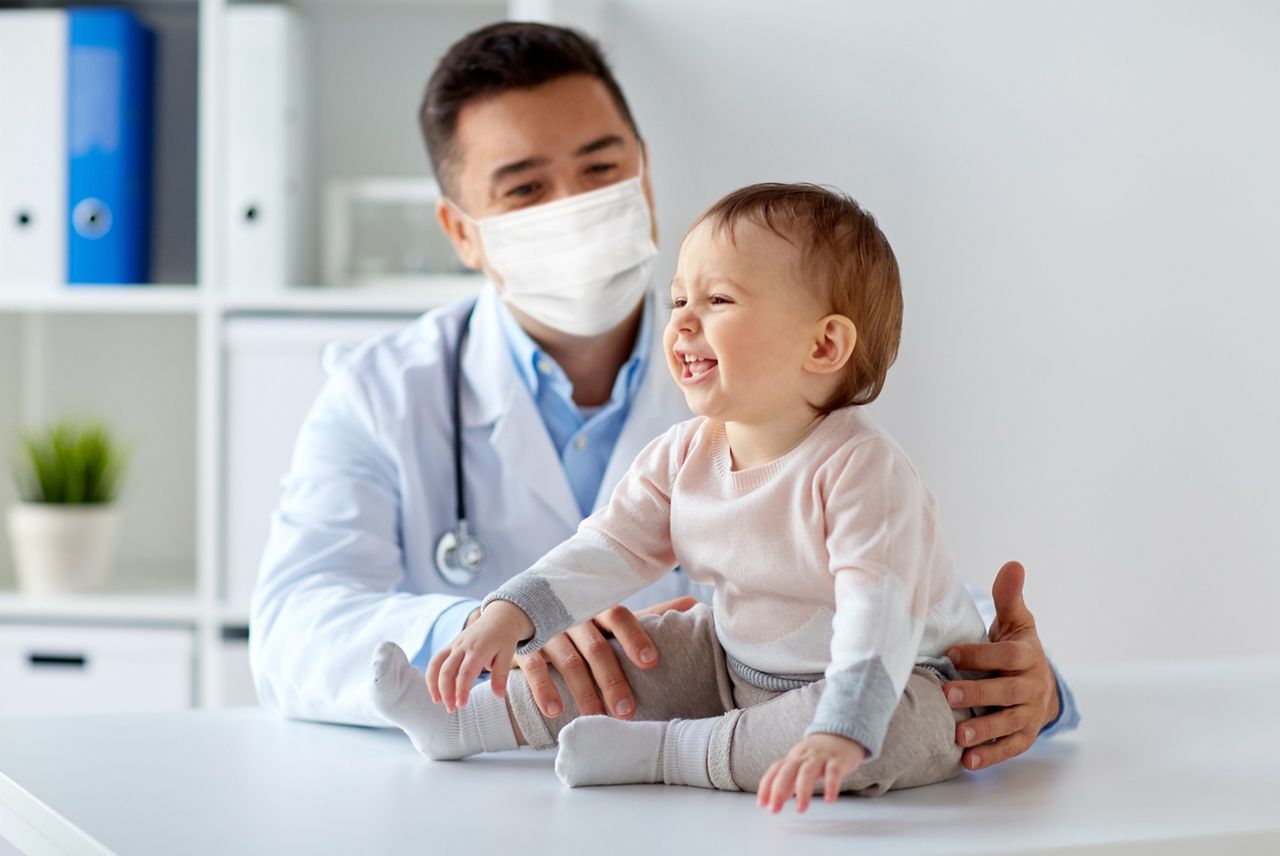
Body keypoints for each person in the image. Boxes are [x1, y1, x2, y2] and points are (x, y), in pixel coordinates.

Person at [250, 22, 1078, 772]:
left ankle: (674, 752)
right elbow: (293, 624)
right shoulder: (379, 390)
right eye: (526, 188)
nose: (575, 205)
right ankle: (467, 721)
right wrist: (490, 633)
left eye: (602, 168)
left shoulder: (777, 379)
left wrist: (1030, 686)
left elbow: (885, 582)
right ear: (462, 230)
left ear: (643, 180)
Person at [374, 182, 992, 812]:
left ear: (824, 345)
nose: (682, 322)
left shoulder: (862, 469)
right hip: (737, 664)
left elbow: (877, 613)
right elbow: (609, 547)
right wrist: (510, 613)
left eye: (718, 299)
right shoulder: (684, 453)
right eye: (677, 299)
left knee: (883, 733)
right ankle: (462, 724)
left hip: (896, 681)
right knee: (643, 653)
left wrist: (840, 727)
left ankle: (664, 753)